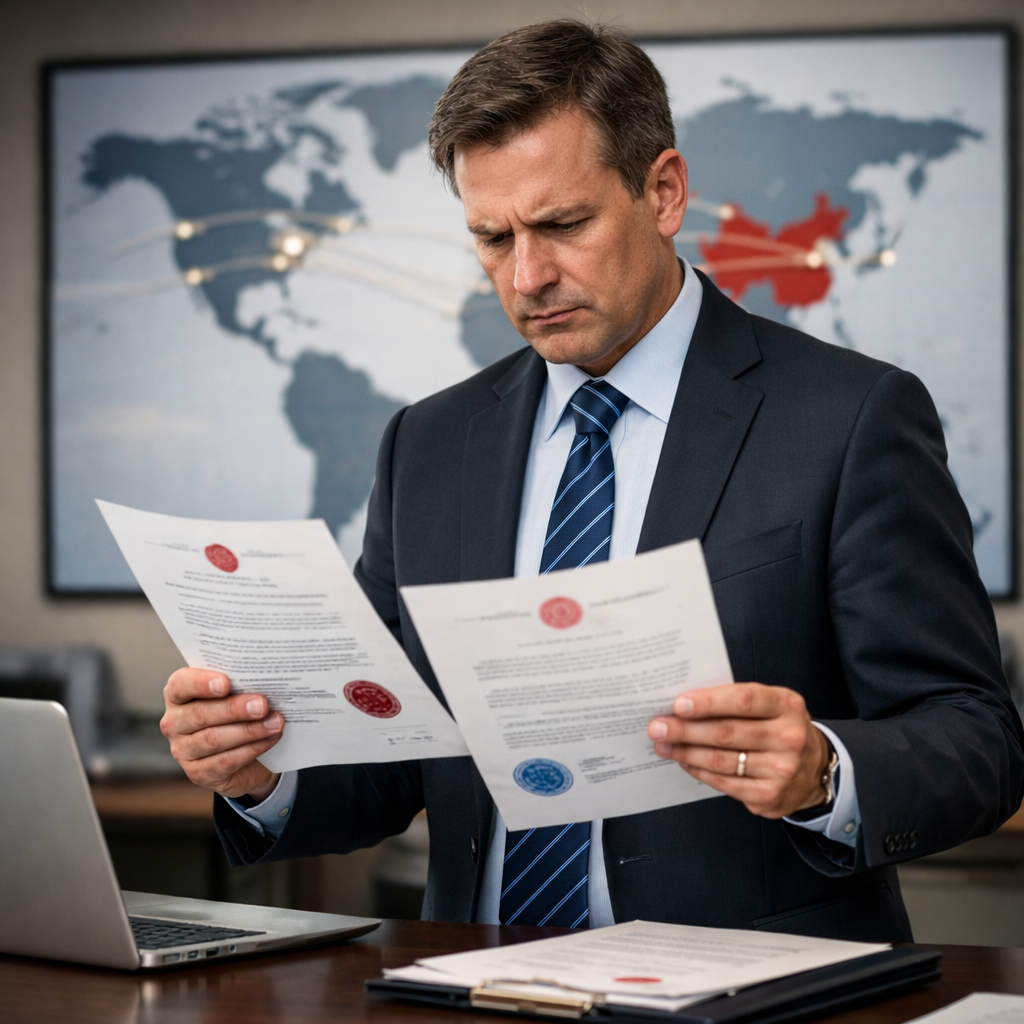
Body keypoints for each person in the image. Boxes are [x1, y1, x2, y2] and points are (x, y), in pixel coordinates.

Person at [160, 21, 1024, 940]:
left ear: (663, 191)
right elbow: (399, 757)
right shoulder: (429, 441)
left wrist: (822, 769)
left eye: (563, 224)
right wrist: (260, 773)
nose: (528, 275)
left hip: (750, 987)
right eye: (492, 238)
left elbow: (978, 738)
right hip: (476, 985)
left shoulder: (850, 418)